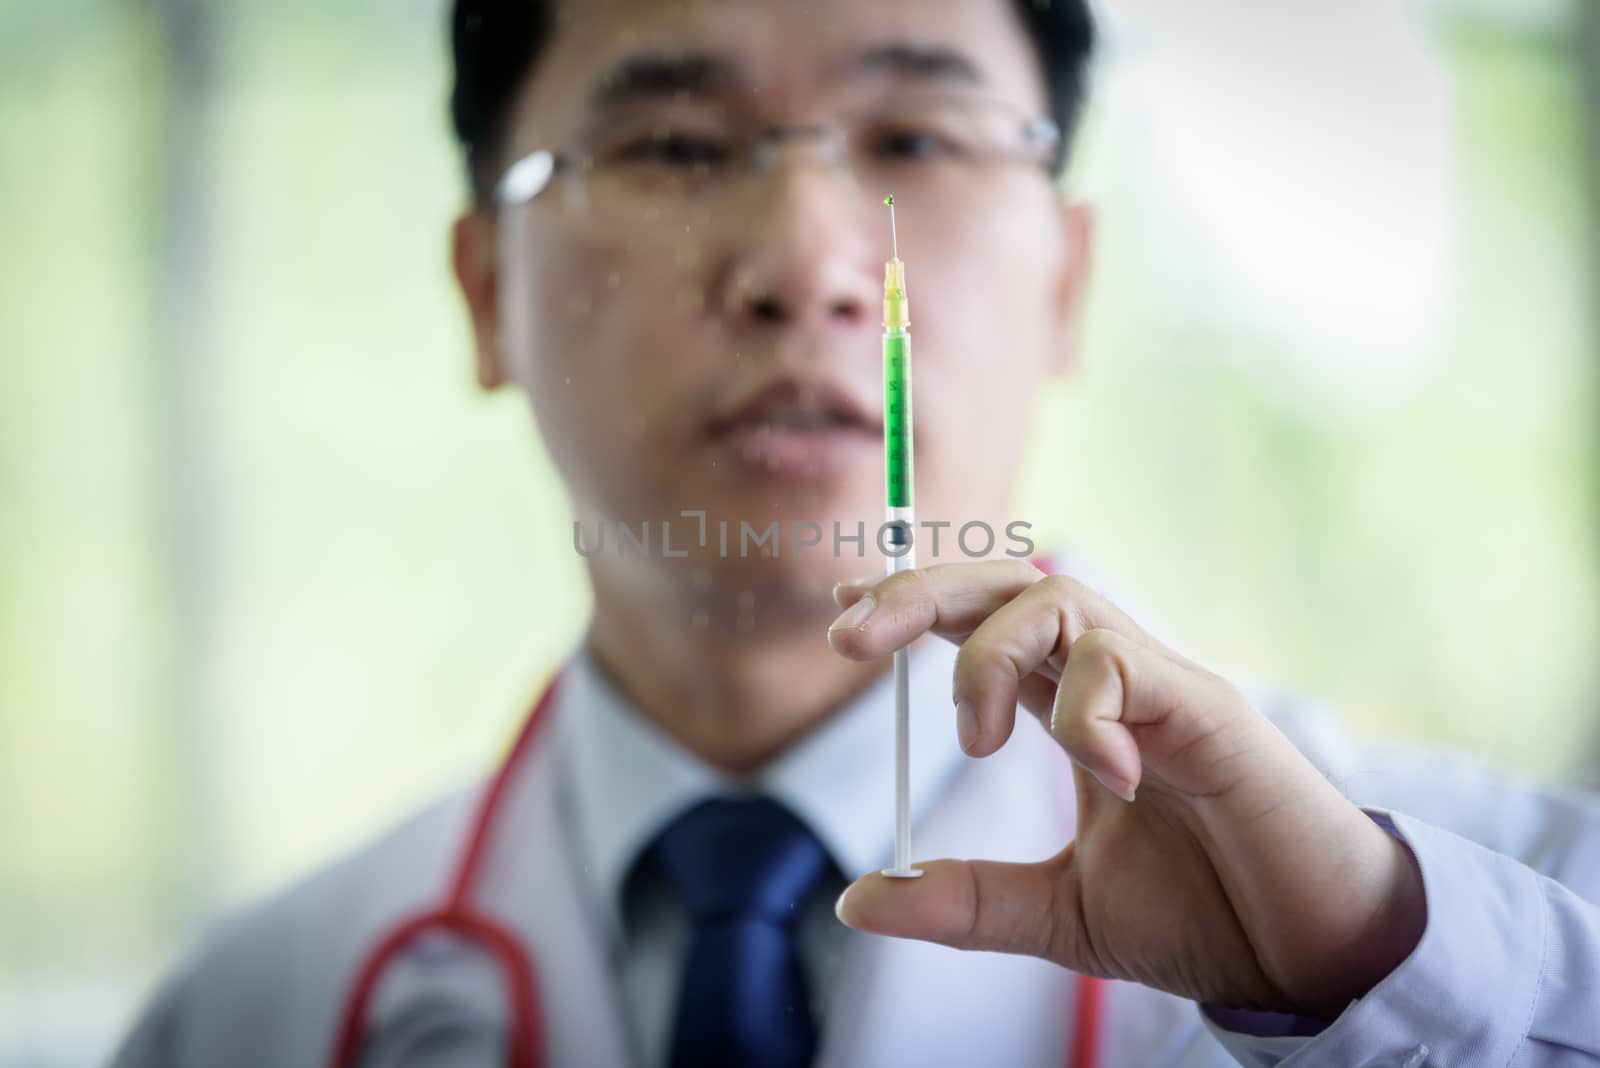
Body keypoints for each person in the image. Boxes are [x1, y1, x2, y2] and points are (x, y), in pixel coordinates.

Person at [113, 0, 1600, 1065]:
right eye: (680, 145)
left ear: (1068, 281)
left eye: (916, 133)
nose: (812, 262)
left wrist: (1374, 991)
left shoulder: (1477, 925)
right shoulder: (242, 1019)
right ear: (485, 286)